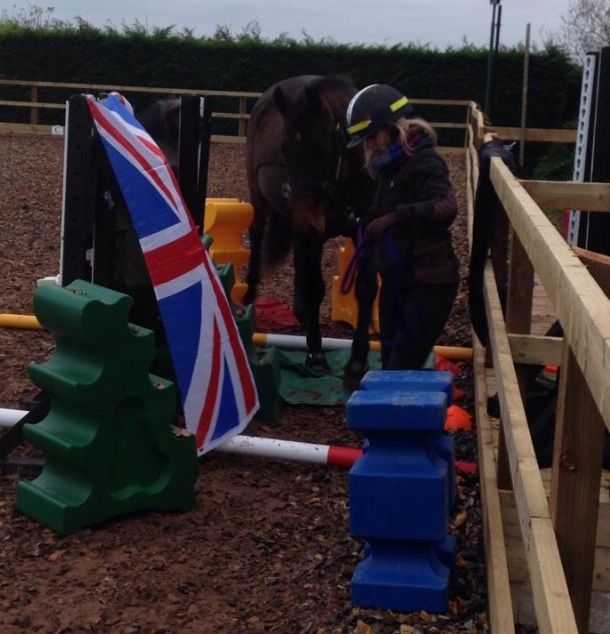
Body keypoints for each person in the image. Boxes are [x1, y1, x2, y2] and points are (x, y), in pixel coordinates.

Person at [343, 84, 460, 381]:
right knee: (389, 365)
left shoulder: (426, 162)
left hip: (429, 282)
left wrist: (396, 218)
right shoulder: (389, 170)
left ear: (391, 128)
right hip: (398, 282)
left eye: (371, 137)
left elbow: (445, 207)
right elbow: (378, 214)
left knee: (399, 369)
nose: (368, 146)